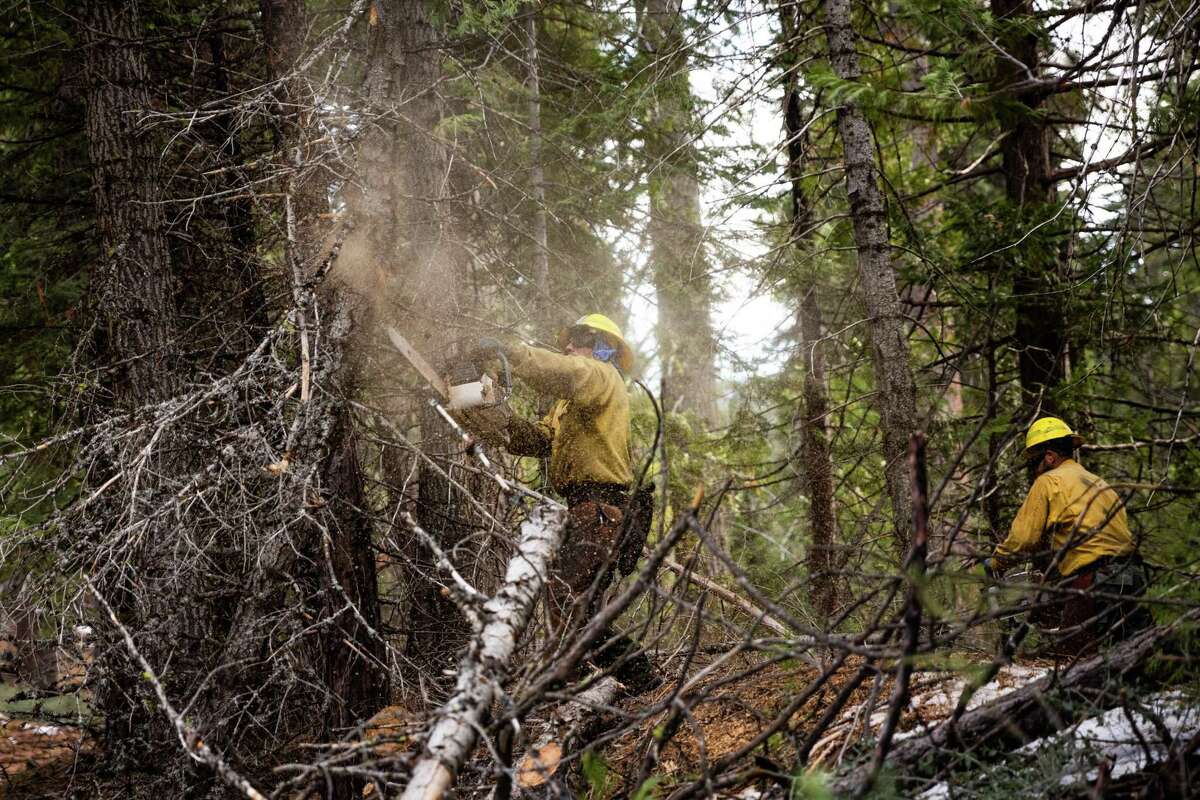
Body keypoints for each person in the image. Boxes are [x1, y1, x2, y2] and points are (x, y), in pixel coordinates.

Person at [474, 313, 657, 691]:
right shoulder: (568, 406)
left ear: (602, 345)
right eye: (568, 340)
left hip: (601, 508)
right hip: (587, 510)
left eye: (577, 339)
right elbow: (540, 440)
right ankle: (637, 679)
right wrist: (490, 418)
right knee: (578, 605)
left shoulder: (601, 376)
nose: (568, 346)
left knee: (566, 598)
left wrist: (513, 354)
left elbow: (568, 372)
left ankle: (587, 688)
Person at [985, 417, 1152, 651]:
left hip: (1092, 580)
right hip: (1131, 577)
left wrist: (996, 562)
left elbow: (1024, 539)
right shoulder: (1100, 483)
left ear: (1050, 457)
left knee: (1073, 662)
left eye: (1035, 462)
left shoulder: (1048, 482)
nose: (1034, 469)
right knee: (1135, 656)